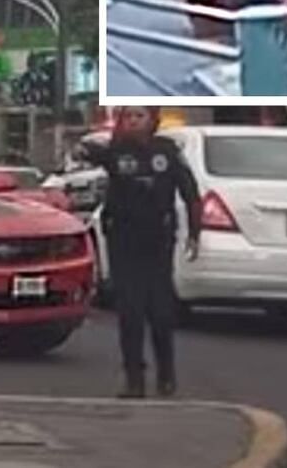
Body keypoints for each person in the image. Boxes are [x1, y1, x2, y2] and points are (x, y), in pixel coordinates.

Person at [77, 107, 201, 398]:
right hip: (124, 240)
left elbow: (189, 191)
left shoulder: (167, 152)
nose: (134, 121)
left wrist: (195, 232)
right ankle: (134, 378)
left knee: (160, 312)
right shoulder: (116, 152)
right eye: (129, 116)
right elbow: (86, 149)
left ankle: (166, 374)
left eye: (140, 116)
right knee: (129, 313)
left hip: (157, 241)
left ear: (153, 121)